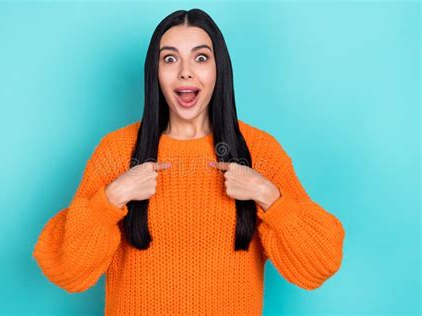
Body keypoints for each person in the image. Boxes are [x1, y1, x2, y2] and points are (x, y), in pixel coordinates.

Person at [32, 8, 345, 315]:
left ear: (219, 69)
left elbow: (321, 263)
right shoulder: (117, 151)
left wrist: (269, 196)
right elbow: (64, 269)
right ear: (154, 71)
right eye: (170, 58)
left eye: (200, 57)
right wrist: (112, 198)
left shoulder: (259, 151)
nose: (185, 71)